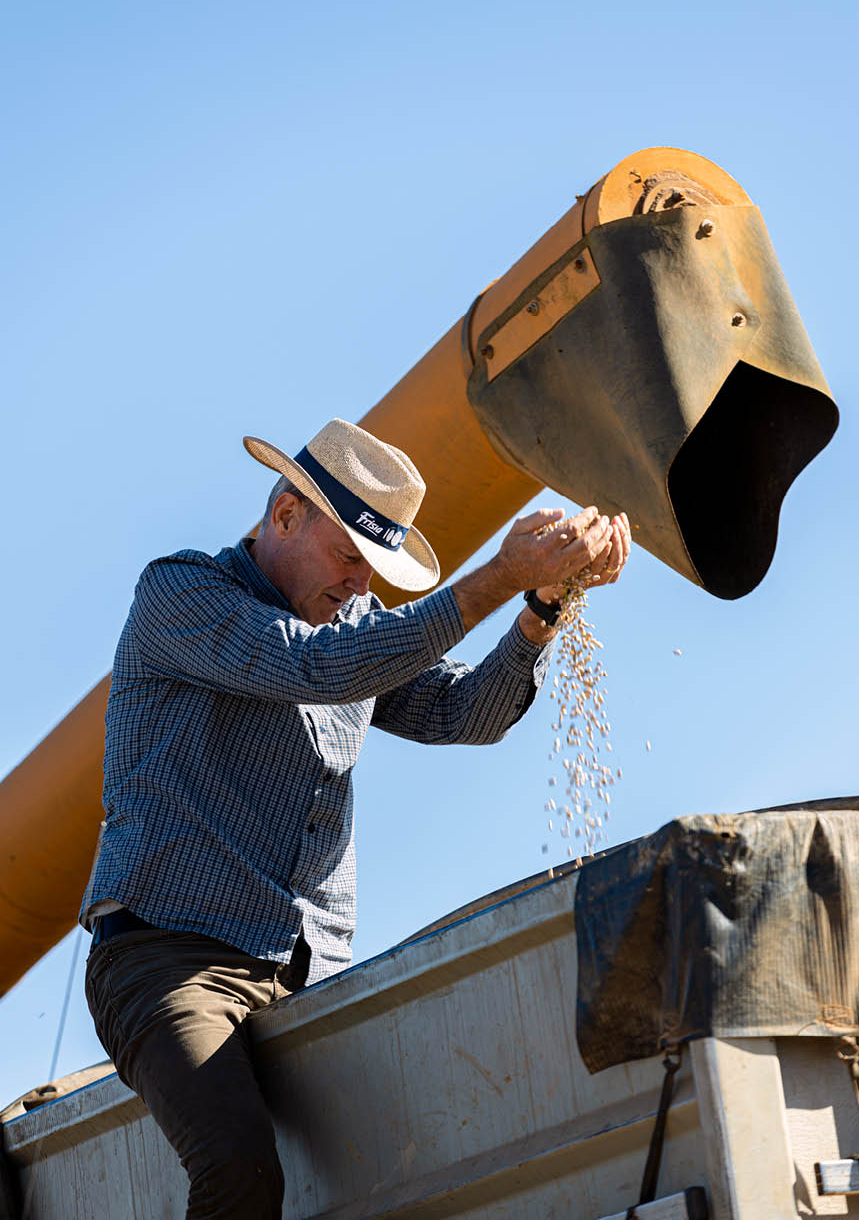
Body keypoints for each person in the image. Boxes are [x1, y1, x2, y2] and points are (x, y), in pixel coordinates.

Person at [81, 417, 630, 1218]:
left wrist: (542, 604)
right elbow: (312, 668)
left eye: (375, 570)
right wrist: (497, 577)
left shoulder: (355, 633)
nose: (361, 586)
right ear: (285, 516)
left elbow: (460, 712)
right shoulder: (181, 594)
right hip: (172, 960)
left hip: (308, 972)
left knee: (394, 1172)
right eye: (350, 557)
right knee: (239, 1173)